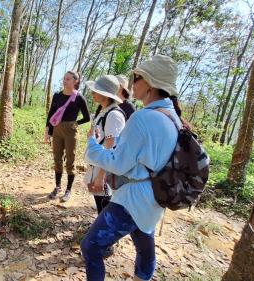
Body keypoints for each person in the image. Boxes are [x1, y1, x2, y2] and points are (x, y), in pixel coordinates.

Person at [80, 55, 183, 281]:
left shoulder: (144, 118)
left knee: (91, 246)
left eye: (136, 77)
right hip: (155, 196)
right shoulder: (172, 117)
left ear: (149, 83)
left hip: (133, 199)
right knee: (144, 245)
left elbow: (117, 162)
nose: (132, 83)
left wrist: (91, 144)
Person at [83, 75, 126, 258]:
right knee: (100, 203)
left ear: (105, 94)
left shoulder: (114, 115)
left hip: (105, 169)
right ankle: (101, 237)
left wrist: (101, 175)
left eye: (96, 91)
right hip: (96, 165)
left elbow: (110, 148)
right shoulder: (104, 111)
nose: (92, 93)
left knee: (106, 205)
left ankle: (107, 244)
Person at [45, 71, 90, 202]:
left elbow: (87, 117)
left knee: (70, 160)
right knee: (57, 159)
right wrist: (48, 130)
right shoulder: (57, 96)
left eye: (68, 79)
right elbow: (51, 114)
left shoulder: (79, 97)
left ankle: (68, 190)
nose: (65, 81)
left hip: (71, 131)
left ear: (75, 81)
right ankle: (57, 186)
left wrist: (76, 123)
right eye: (64, 78)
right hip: (57, 130)